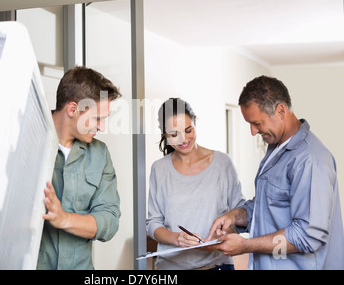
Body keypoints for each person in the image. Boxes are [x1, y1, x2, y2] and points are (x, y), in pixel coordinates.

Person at [205, 75, 344, 269]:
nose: (253, 132)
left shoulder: (310, 160)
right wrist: (235, 216)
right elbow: (269, 207)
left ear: (280, 110)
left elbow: (307, 236)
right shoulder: (276, 148)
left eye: (257, 123)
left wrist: (245, 245)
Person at [37, 66, 122, 270]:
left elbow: (109, 220)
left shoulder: (100, 155)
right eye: (97, 118)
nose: (101, 127)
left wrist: (64, 219)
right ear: (73, 109)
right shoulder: (29, 141)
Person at [146, 98, 246, 270]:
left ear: (195, 121)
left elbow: (241, 212)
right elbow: (153, 223)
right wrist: (176, 238)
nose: (183, 139)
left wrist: (224, 233)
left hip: (217, 265)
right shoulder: (159, 169)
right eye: (173, 134)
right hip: (170, 269)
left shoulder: (222, 163)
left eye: (188, 130)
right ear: (163, 133)